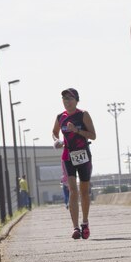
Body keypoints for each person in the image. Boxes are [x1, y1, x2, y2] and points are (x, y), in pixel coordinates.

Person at [52, 88, 96, 240]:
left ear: (76, 100)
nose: (67, 101)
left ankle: (85, 223)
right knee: (72, 190)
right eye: (64, 98)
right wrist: (56, 140)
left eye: (69, 98)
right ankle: (75, 227)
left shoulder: (83, 115)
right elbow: (54, 131)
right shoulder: (60, 117)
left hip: (83, 155)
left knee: (84, 191)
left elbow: (93, 135)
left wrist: (77, 130)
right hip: (68, 156)